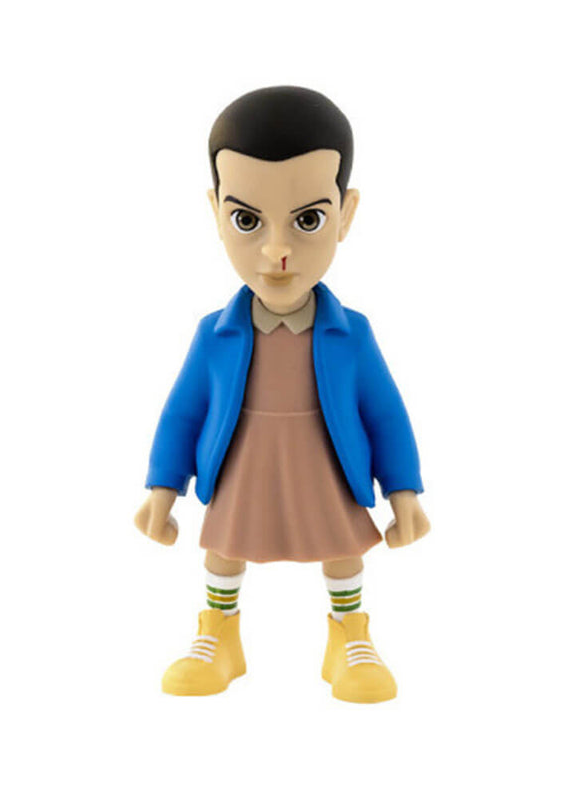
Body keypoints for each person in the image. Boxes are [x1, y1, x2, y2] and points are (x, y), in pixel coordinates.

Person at [134, 86, 430, 703]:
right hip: (243, 463)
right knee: (224, 547)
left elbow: (385, 417)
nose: (277, 252)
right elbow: (182, 415)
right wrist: (163, 491)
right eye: (247, 220)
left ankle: (349, 633)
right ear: (216, 212)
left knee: (342, 547)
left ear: (345, 214)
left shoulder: (352, 335)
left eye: (308, 219)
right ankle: (219, 632)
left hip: (325, 464)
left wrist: (404, 494)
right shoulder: (214, 334)